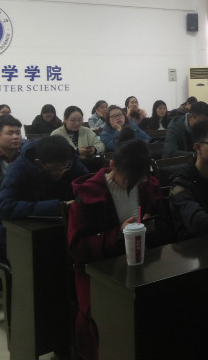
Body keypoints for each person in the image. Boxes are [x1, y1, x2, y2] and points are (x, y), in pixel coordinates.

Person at [68, 139, 172, 360]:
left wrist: (152, 224)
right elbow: (77, 248)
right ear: (112, 165)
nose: (132, 185)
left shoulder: (145, 186)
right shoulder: (89, 194)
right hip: (98, 271)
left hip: (143, 262)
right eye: (128, 179)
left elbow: (165, 223)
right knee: (110, 312)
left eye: (139, 179)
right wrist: (117, 234)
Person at [0, 135, 89, 246]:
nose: (60, 172)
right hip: (18, 234)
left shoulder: (70, 159)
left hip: (61, 226)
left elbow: (89, 186)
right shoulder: (18, 169)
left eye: (64, 167)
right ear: (39, 162)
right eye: (54, 169)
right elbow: (6, 207)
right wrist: (58, 206)